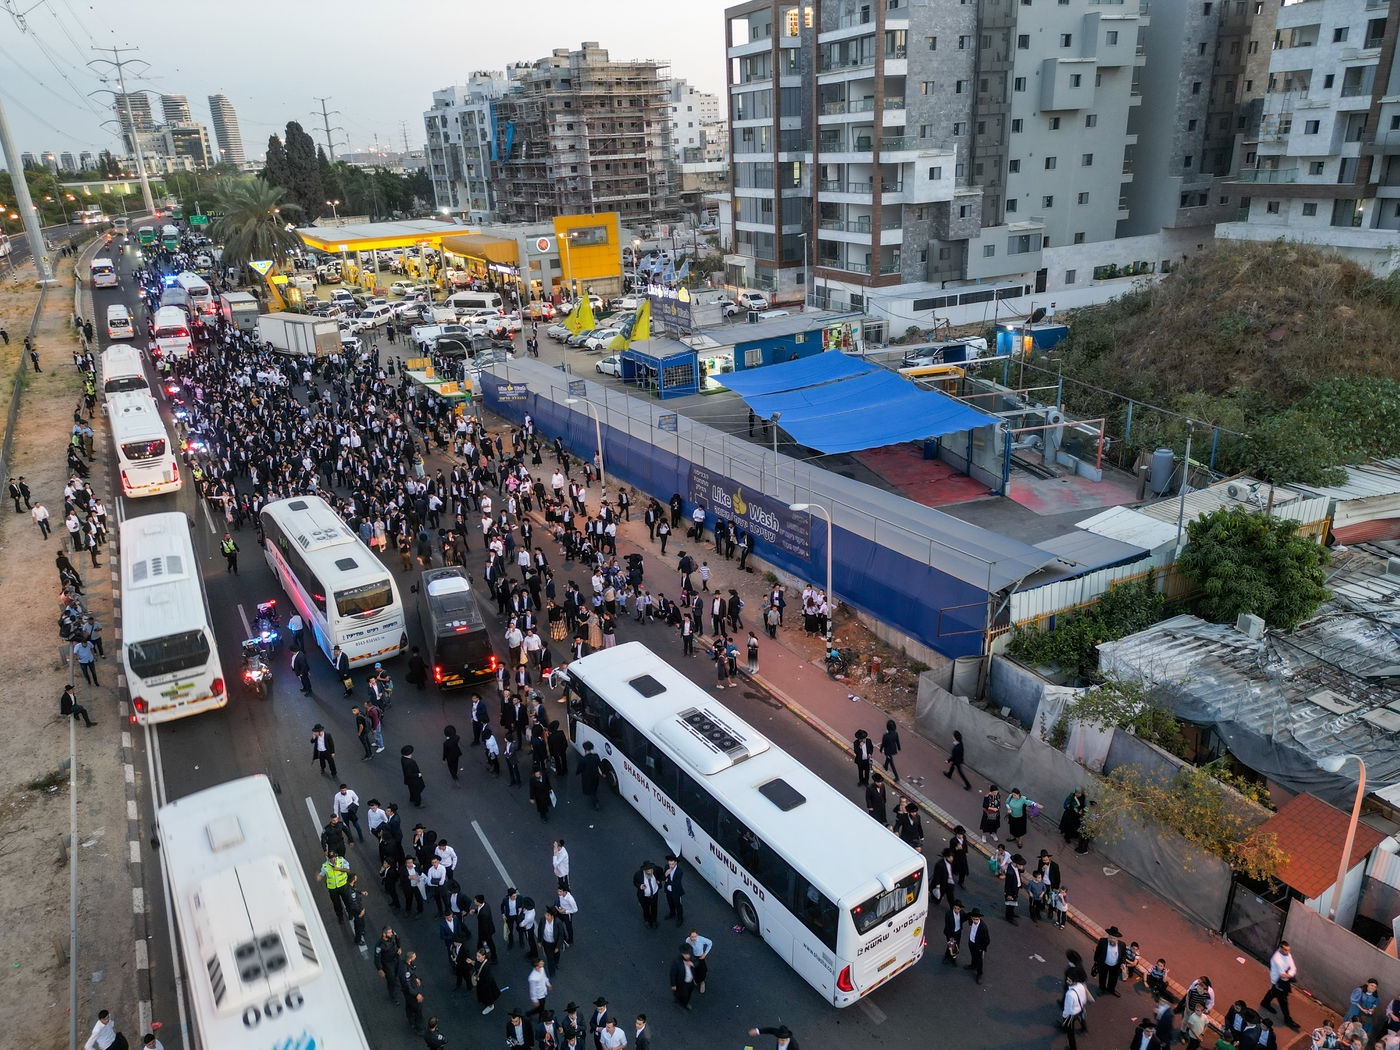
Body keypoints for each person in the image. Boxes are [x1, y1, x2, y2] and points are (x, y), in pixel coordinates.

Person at [1260, 941, 1299, 1029]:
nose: (1288, 952)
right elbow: (1283, 975)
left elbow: (1293, 968)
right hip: (1278, 981)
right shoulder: (1277, 959)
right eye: (1286, 950)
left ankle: (1265, 1002)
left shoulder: (1287, 954)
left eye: (1288, 950)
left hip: (1281, 981)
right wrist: (1290, 974)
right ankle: (1288, 1019)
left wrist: (1289, 974)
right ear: (1281, 948)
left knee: (1273, 993)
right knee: (1283, 1001)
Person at [1093, 926, 1126, 996]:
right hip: (1104, 964)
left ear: (1117, 939)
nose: (1112, 940)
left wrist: (1123, 963)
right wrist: (1096, 961)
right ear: (1108, 936)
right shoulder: (1102, 942)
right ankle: (1102, 989)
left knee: (1113, 979)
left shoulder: (1122, 945)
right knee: (1102, 977)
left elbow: (1123, 955)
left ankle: (1111, 989)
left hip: (1115, 965)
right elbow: (1097, 952)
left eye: (1114, 938)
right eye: (1110, 937)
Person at [1062, 971, 1090, 1050]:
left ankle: (1073, 1048)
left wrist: (1064, 1016)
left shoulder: (1069, 994)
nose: (1067, 981)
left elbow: (1068, 1009)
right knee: (1081, 1019)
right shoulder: (1081, 986)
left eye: (1069, 980)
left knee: (1070, 1034)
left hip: (1072, 1014)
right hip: (1081, 1009)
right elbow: (1084, 999)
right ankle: (1084, 1028)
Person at [633, 861, 661, 928]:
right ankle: (647, 920)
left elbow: (661, 874)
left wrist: (659, 880)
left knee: (654, 908)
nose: (650, 872)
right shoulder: (638, 874)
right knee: (646, 909)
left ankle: (654, 920)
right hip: (644, 897)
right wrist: (640, 886)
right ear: (644, 870)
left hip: (654, 894)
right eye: (648, 871)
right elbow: (635, 882)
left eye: (651, 870)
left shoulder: (655, 870)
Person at [965, 907, 990, 983]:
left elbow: (987, 940)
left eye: (977, 919)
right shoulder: (971, 920)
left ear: (979, 918)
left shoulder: (983, 927)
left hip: (978, 946)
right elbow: (968, 916)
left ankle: (979, 974)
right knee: (973, 955)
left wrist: (982, 948)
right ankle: (973, 965)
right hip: (971, 942)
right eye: (973, 919)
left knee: (979, 960)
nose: (975, 921)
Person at [663, 854, 685, 926]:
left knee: (678, 905)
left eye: (672, 864)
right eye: (669, 864)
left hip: (676, 891)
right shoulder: (667, 867)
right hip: (668, 890)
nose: (671, 866)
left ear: (676, 863)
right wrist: (666, 874)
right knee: (670, 902)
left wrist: (666, 880)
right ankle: (672, 913)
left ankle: (680, 918)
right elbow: (663, 877)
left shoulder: (679, 871)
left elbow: (676, 883)